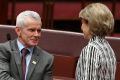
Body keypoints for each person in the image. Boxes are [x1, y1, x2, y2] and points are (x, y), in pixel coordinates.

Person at [0, 10, 54, 80]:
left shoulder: (47, 59)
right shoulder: (3, 50)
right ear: (18, 31)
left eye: (39, 30)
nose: (36, 35)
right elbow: (2, 77)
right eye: (32, 30)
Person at [76, 3, 116, 80]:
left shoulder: (91, 50)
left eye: (83, 23)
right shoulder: (108, 48)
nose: (81, 27)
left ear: (91, 24)